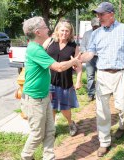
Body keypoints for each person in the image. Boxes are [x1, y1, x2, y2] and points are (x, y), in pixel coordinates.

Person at [79, 2, 124, 157]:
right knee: (102, 110)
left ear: (111, 15)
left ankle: (123, 126)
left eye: (102, 14)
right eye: (98, 15)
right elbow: (90, 54)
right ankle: (104, 142)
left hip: (122, 74)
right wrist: (79, 59)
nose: (99, 17)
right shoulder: (96, 33)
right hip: (102, 74)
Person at [21, 16, 82, 160]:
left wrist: (46, 91)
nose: (48, 29)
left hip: (43, 95)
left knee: (49, 130)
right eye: (45, 27)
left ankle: (48, 157)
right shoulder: (36, 49)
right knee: (37, 134)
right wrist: (74, 61)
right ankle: (26, 157)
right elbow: (59, 67)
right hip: (34, 99)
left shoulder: (37, 47)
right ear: (38, 32)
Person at [42, 20, 82, 137]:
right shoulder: (49, 42)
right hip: (49, 80)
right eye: (62, 30)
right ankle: (51, 130)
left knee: (64, 108)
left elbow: (78, 65)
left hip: (65, 80)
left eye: (67, 31)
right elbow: (39, 54)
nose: (64, 33)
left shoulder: (73, 46)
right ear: (57, 31)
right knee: (51, 107)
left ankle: (70, 123)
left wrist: (78, 80)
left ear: (70, 32)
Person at [81, 18, 100, 102]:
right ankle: (91, 94)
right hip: (89, 58)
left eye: (97, 25)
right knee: (90, 76)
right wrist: (87, 54)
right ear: (92, 25)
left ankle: (101, 94)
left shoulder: (103, 33)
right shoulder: (87, 34)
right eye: (94, 25)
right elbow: (83, 45)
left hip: (100, 57)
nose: (96, 27)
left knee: (101, 76)